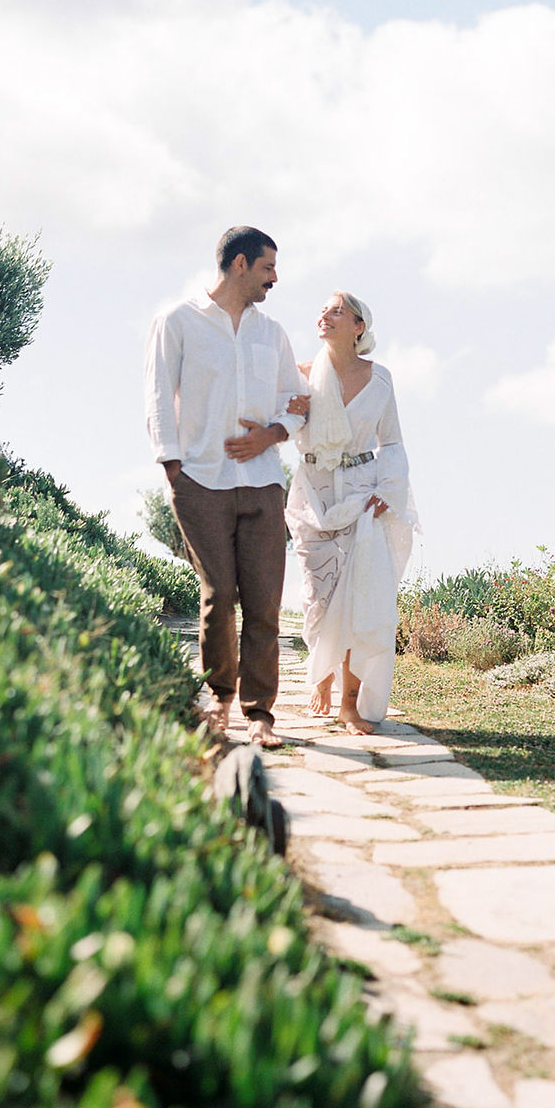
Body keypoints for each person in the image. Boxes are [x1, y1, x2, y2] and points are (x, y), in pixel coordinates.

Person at [144, 226, 306, 747]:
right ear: (239, 264)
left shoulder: (271, 333)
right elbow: (156, 395)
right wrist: (173, 468)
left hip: (261, 483)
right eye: (267, 268)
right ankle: (219, 700)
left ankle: (261, 714)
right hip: (200, 481)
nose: (274, 279)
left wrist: (271, 436)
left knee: (264, 602)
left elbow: (297, 400)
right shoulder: (178, 322)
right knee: (220, 594)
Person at [285, 292, 416, 734]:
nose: (325, 315)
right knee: (320, 598)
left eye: (337, 310)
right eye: (323, 309)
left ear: (359, 326)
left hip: (363, 495)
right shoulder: (300, 376)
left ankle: (349, 703)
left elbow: (392, 442)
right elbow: (276, 422)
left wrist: (389, 489)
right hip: (313, 496)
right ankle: (321, 675)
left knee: (361, 597)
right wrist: (290, 410)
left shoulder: (380, 381)